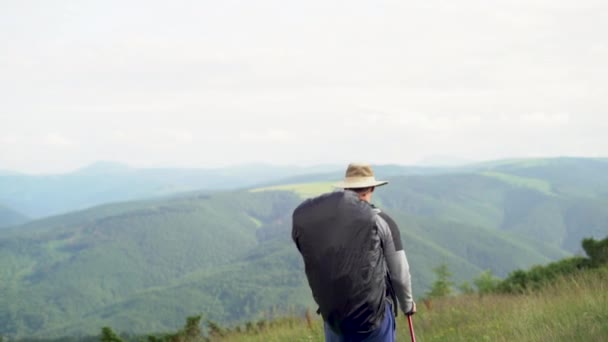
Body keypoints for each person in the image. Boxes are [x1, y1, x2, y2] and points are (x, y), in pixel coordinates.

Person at [292, 163, 416, 342]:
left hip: (335, 321)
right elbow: (400, 275)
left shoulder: (329, 226)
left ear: (346, 189)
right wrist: (408, 305)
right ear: (372, 187)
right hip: (374, 321)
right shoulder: (381, 221)